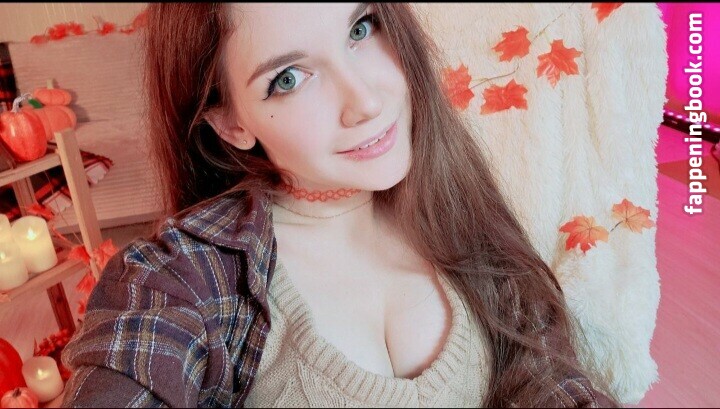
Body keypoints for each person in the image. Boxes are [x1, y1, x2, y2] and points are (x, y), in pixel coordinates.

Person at [60, 3, 621, 407]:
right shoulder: (179, 280)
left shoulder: (456, 201)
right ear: (230, 124)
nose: (366, 101)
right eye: (288, 78)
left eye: (360, 28)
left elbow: (550, 382)